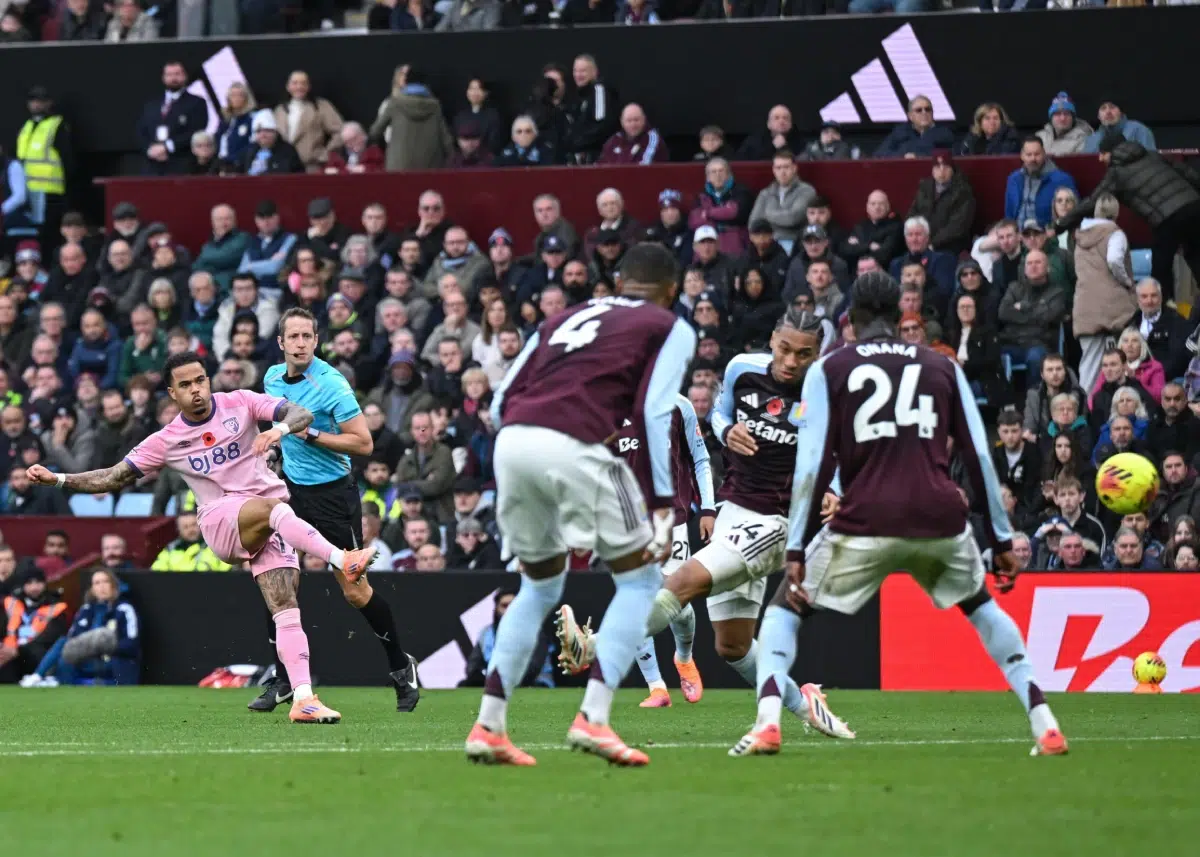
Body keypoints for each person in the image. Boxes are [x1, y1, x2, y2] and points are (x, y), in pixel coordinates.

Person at [735, 271, 1066, 758]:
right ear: (901, 316)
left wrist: (797, 545)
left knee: (786, 606)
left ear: (850, 320)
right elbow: (976, 451)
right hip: (937, 517)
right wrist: (999, 540)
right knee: (981, 606)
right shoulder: (941, 366)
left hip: (865, 518)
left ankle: (768, 722)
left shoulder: (831, 369)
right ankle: (1045, 723)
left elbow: (813, 463)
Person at [24, 351, 377, 723]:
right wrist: (61, 480)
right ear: (172, 393)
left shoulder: (240, 402)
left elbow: (300, 413)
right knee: (274, 509)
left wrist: (279, 429)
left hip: (267, 522)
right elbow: (114, 477)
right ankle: (342, 559)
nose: (196, 390)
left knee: (286, 608)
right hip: (222, 519)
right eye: (186, 385)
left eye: (200, 380)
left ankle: (303, 698)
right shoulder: (167, 439)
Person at [463, 243, 696, 767]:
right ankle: (593, 718)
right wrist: (661, 502)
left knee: (539, 585)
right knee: (639, 582)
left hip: (513, 442)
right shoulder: (668, 325)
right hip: (576, 444)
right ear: (672, 290)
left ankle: (489, 726)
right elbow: (656, 410)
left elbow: (498, 402)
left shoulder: (566, 316)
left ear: (618, 281)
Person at [557, 310, 829, 716]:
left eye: (804, 354)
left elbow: (847, 443)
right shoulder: (741, 368)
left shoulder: (826, 389)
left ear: (818, 353)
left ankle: (593, 648)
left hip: (776, 519)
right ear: (773, 340)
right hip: (732, 509)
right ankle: (806, 706)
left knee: (679, 582)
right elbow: (721, 413)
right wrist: (726, 431)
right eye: (785, 349)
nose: (791, 362)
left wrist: (836, 489)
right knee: (733, 646)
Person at [252, 308, 420, 715]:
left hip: (333, 496)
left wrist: (309, 433)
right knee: (276, 580)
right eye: (292, 336)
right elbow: (273, 428)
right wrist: (275, 449)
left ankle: (401, 666)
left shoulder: (331, 384)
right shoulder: (272, 378)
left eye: (307, 336)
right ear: (281, 343)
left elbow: (362, 444)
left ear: (315, 340)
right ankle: (283, 679)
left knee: (353, 589)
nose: (300, 343)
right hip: (291, 493)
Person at [607, 394, 715, 708]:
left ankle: (684, 658)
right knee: (634, 602)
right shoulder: (609, 407)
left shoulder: (678, 405)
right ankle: (657, 687)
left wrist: (708, 507)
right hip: (626, 524)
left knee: (674, 600)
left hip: (672, 518)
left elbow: (700, 458)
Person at [1053, 131, 1200, 302]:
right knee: (1196, 256)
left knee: (1160, 269)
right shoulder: (1153, 155)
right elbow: (1190, 174)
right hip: (1194, 206)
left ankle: (1161, 313)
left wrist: (1059, 225)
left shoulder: (1117, 173)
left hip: (1167, 218)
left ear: (1112, 152)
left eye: (1102, 153)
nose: (1100, 159)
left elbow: (1092, 202)